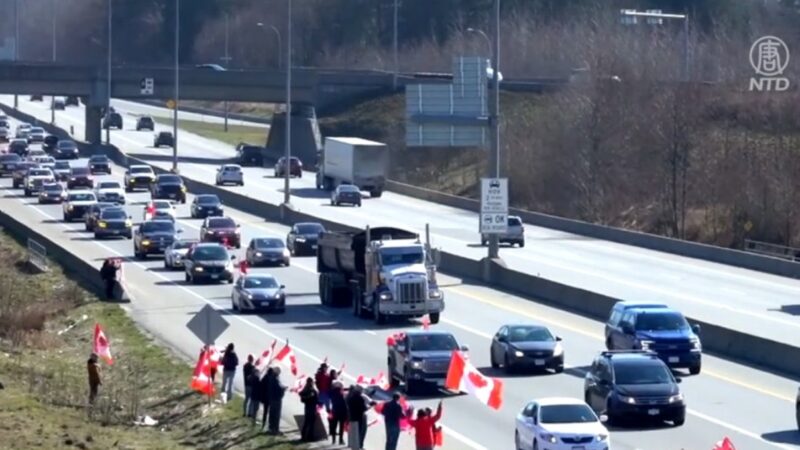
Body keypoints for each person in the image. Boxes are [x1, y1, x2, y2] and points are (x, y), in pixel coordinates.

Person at [346, 385, 374, 450]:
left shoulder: (350, 397)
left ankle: (353, 445)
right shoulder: (360, 398)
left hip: (351, 416)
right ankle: (358, 446)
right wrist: (369, 407)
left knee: (353, 432)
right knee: (360, 432)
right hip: (359, 417)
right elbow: (363, 408)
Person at [267, 366, 286, 435]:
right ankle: (275, 429)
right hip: (276, 399)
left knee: (272, 414)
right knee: (276, 415)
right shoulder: (275, 379)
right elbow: (278, 389)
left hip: (272, 398)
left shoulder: (271, 378)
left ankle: (271, 428)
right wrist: (283, 390)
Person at [299, 377, 319, 442]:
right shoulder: (311, 390)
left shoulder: (306, 389)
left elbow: (302, 397)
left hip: (308, 407)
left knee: (307, 422)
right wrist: (310, 396)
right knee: (311, 423)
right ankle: (310, 437)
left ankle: (304, 436)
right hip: (311, 407)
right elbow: (315, 398)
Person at [329, 381, 348, 446]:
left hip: (335, 411)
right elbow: (344, 404)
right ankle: (340, 440)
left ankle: (333, 440)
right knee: (341, 426)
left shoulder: (332, 393)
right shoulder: (342, 395)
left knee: (334, 426)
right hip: (342, 412)